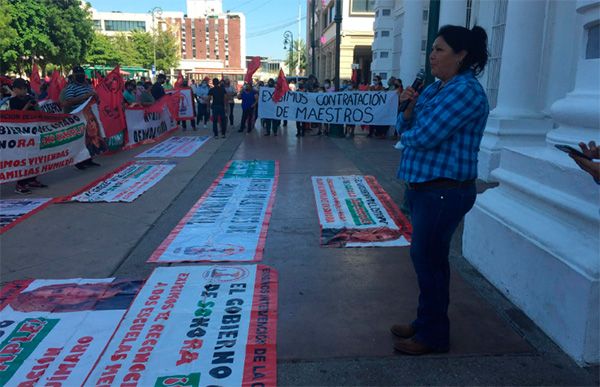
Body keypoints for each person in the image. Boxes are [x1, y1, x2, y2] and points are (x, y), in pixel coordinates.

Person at [392, 25, 490, 355]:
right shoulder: (435, 89)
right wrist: (406, 110)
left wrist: (407, 131)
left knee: (428, 260)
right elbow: (403, 126)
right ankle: (425, 321)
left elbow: (425, 136)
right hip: (425, 189)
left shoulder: (464, 91)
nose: (432, 55)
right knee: (429, 260)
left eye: (440, 49)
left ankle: (433, 336)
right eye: (432, 48)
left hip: (444, 192)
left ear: (461, 55)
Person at [9, 78, 48, 194]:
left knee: (34, 156)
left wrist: (35, 104)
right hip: (21, 133)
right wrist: (27, 105)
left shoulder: (30, 98)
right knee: (23, 158)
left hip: (33, 131)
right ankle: (20, 184)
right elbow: (18, 115)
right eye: (21, 88)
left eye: (25, 88)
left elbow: (39, 112)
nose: (23, 90)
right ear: (15, 89)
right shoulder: (13, 101)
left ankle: (32, 179)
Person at [61, 66, 100, 170]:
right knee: (80, 140)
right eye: (78, 75)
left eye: (81, 74)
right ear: (73, 76)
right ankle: (79, 162)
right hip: (77, 116)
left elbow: (94, 97)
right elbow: (67, 101)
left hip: (89, 114)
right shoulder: (71, 87)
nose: (80, 77)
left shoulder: (88, 85)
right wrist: (85, 97)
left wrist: (95, 96)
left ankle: (89, 158)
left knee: (90, 138)